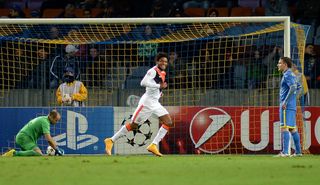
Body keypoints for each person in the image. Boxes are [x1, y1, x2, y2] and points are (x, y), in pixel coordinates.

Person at [104, 52, 173, 157]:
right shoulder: (152, 71)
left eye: (166, 61)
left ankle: (153, 145)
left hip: (155, 103)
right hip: (146, 104)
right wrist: (158, 86)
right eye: (162, 61)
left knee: (168, 122)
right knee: (133, 125)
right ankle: (111, 140)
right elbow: (143, 83)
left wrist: (159, 92)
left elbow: (155, 87)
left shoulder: (162, 73)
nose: (164, 63)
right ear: (157, 61)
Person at [276, 57, 302, 157]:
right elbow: (298, 86)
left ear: (285, 65)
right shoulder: (292, 74)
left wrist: (286, 101)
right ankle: (298, 152)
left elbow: (293, 87)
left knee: (284, 127)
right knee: (293, 128)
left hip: (286, 106)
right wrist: (294, 99)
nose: (278, 65)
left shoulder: (287, 74)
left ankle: (285, 152)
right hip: (292, 105)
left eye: (279, 63)